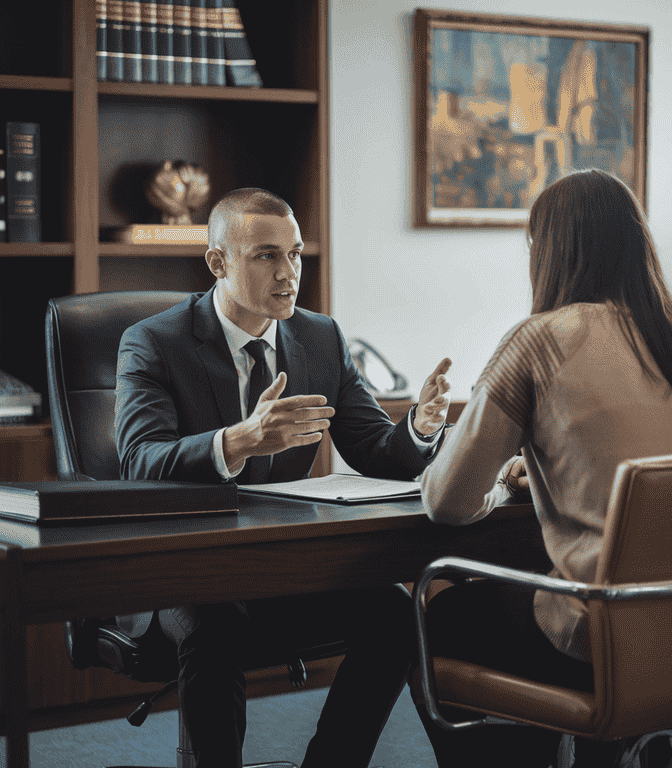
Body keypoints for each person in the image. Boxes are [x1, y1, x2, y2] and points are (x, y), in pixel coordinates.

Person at [412, 169, 672, 768]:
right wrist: (537, 472)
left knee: (444, 615)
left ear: (550, 251)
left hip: (609, 637)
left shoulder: (537, 342)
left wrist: (493, 484)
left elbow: (446, 502)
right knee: (542, 583)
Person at [114, 187, 452, 768]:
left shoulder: (320, 338)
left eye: (295, 254)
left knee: (397, 614)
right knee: (214, 629)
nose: (288, 273)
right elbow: (140, 459)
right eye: (266, 256)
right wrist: (237, 441)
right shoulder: (154, 342)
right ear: (218, 263)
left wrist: (419, 427)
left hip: (279, 564)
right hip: (184, 569)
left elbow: (374, 447)